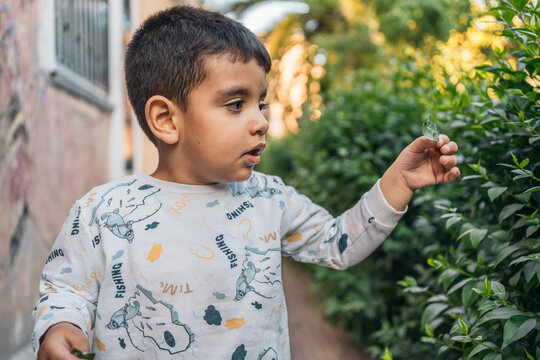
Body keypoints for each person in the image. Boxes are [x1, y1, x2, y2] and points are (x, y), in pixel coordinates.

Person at [32, 5, 460, 360]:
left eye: (261, 104)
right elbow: (65, 288)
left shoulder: (269, 198)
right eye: (236, 104)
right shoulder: (103, 211)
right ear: (166, 119)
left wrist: (398, 182)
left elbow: (337, 243)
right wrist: (59, 325)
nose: (260, 122)